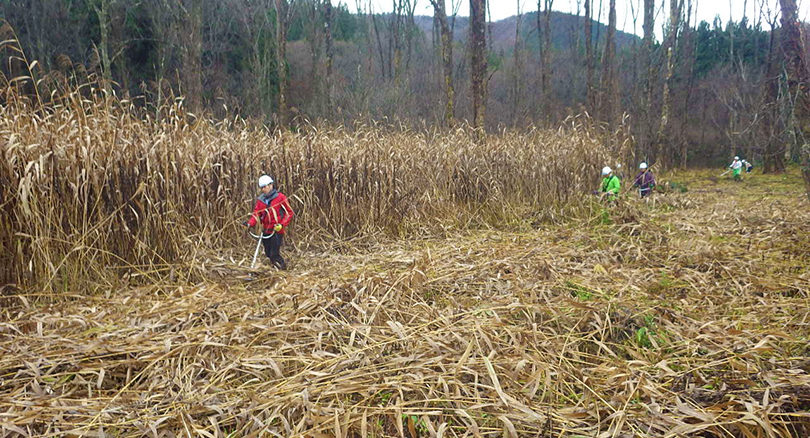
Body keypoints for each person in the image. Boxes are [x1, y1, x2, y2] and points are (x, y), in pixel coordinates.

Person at [244, 175, 294, 270]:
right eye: (261, 188)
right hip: (266, 230)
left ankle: (282, 269)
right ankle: (275, 268)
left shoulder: (280, 198)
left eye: (264, 187)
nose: (263, 189)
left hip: (277, 230)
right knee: (268, 253)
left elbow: (289, 212)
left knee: (274, 253)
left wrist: (281, 225)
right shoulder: (261, 200)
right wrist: (250, 223)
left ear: (271, 185)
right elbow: (256, 214)